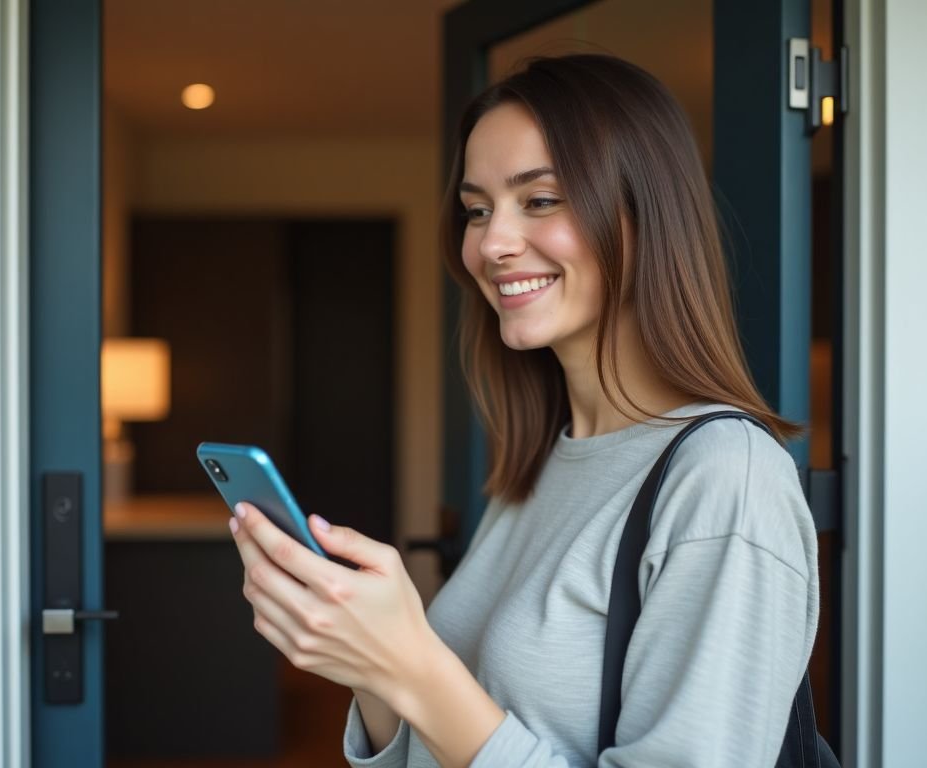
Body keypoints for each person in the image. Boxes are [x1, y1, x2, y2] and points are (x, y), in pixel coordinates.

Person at [227, 53, 819, 767]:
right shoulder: (543, 463)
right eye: (477, 210)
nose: (492, 244)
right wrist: (372, 667)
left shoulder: (727, 481)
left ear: (645, 215)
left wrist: (414, 664)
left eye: (540, 200)